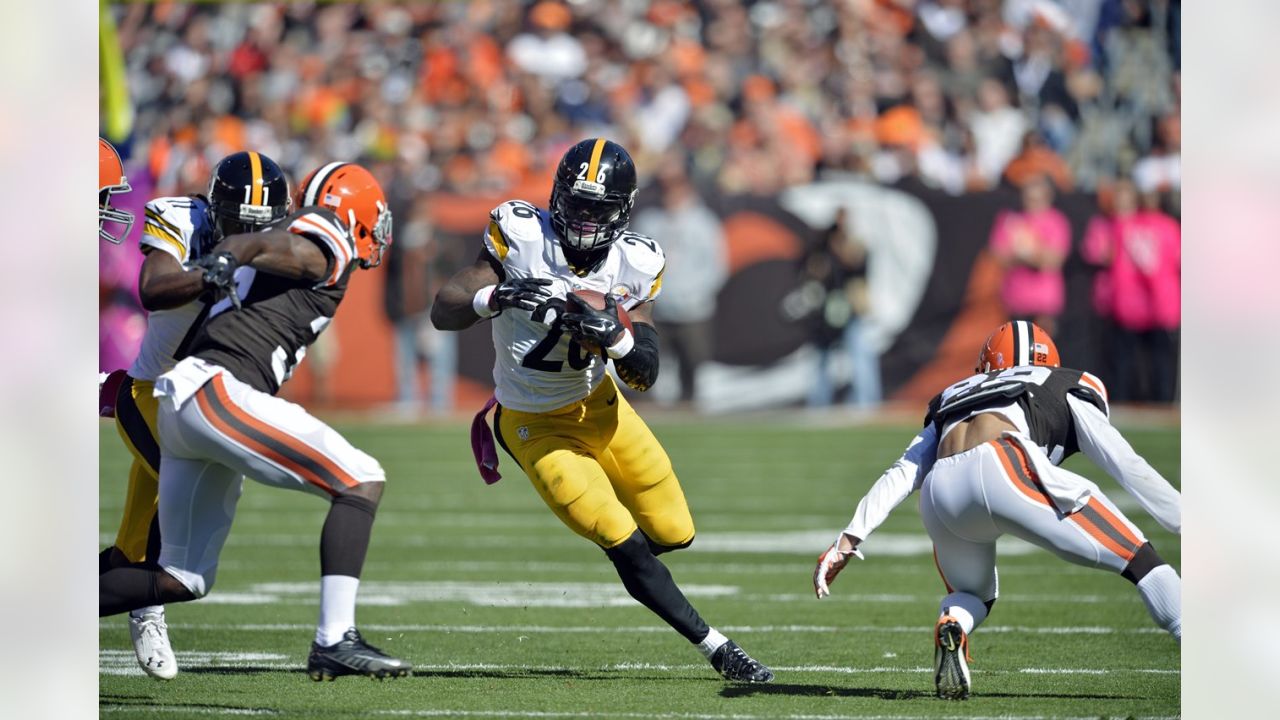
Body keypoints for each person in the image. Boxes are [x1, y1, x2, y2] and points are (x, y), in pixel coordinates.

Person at [431, 138, 773, 683]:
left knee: (675, 531)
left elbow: (646, 371)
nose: (586, 219)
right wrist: (494, 298)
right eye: (577, 203)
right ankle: (719, 648)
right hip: (533, 424)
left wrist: (615, 339)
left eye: (600, 208)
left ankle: (632, 561)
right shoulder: (520, 236)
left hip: (604, 410)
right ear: (556, 196)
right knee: (624, 542)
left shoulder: (636, 262)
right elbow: (443, 311)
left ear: (624, 210)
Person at [99, 162, 411, 681]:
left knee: (182, 578)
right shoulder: (324, 235)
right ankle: (335, 638)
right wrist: (227, 255)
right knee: (361, 479)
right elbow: (271, 248)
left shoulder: (290, 239)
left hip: (187, 403)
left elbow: (259, 249)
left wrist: (230, 255)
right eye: (373, 218)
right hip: (213, 390)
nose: (378, 232)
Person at [813, 321, 1181, 700]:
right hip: (1003, 464)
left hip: (941, 493)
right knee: (1141, 561)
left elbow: (904, 471)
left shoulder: (953, 394)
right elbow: (1125, 462)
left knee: (975, 593)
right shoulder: (1062, 382)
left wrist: (848, 539)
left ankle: (953, 621)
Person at [98, 150, 291, 680]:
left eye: (258, 228)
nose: (245, 234)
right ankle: (148, 608)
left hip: (206, 397)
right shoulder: (183, 218)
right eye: (237, 224)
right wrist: (214, 275)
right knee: (185, 494)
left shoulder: (288, 245)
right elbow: (153, 289)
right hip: (152, 392)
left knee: (127, 552)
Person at [630, 158, 726, 405]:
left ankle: (689, 409)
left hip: (693, 308)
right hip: (657, 307)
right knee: (646, 361)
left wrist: (696, 294)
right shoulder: (649, 220)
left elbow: (717, 265)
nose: (671, 191)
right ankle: (649, 410)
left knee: (692, 365)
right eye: (666, 185)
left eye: (677, 184)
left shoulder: (704, 223)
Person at [988, 174, 1071, 335]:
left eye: (1037, 198)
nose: (1032, 203)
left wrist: (1026, 253)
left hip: (1044, 305)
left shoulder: (1056, 221)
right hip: (1015, 301)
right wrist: (1026, 256)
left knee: (1041, 354)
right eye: (1029, 197)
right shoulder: (1010, 219)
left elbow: (1052, 261)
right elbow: (998, 256)